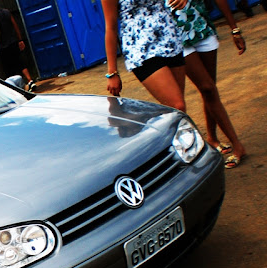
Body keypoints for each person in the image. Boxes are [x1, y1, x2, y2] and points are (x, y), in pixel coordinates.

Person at [174, 0, 247, 168]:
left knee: (209, 89)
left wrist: (234, 28)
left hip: (201, 27)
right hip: (176, 37)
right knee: (207, 87)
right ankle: (237, 144)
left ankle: (212, 138)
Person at [101, 0, 189, 112]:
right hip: (141, 49)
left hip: (170, 39)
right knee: (177, 105)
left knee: (178, 111)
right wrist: (112, 72)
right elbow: (111, 28)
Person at [0, 0, 36, 92]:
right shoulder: (6, 12)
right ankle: (30, 80)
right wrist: (20, 40)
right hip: (13, 41)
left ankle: (15, 88)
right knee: (20, 62)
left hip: (4, 45)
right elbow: (15, 26)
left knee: (8, 67)